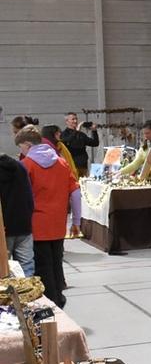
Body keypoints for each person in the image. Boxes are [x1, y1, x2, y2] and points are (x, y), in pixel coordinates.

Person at [14, 128, 80, 308]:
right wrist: (76, 222)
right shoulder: (62, 162)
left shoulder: (26, 165)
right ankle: (59, 299)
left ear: (28, 145)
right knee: (57, 264)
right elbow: (75, 193)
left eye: (21, 147)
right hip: (58, 225)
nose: (21, 152)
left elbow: (22, 197)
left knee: (42, 269)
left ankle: (50, 306)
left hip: (36, 225)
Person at [0, 155, 35, 277]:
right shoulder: (20, 167)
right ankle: (28, 288)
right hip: (23, 224)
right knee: (26, 266)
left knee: (3, 268)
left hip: (3, 228)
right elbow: (30, 197)